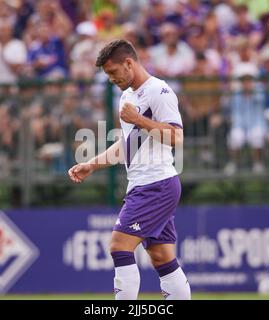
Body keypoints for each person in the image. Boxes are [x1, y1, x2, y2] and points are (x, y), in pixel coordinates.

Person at [68, 39, 190, 300]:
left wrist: (138, 119)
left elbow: (177, 137)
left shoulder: (159, 91)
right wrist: (92, 164)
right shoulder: (127, 96)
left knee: (118, 246)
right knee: (161, 256)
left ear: (129, 63)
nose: (111, 79)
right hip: (146, 184)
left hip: (155, 184)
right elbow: (127, 145)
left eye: (113, 72)